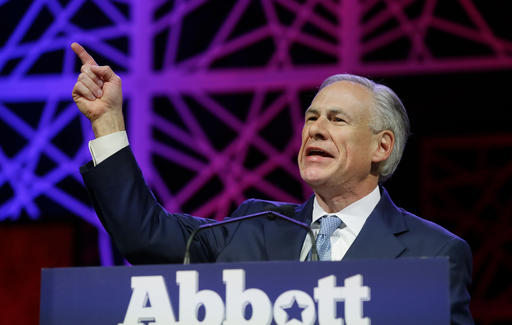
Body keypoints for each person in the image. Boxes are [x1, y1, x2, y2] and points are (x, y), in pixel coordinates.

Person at [71, 42, 473, 324]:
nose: (315, 130)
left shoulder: (434, 254)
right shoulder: (253, 226)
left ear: (381, 146)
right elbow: (144, 235)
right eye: (312, 118)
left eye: (337, 119)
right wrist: (108, 123)